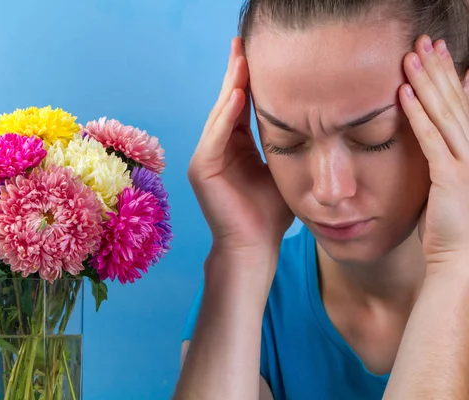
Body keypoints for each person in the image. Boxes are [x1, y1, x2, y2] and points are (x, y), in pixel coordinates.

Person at [173, 0, 469, 399]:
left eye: (373, 139)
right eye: (286, 142)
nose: (329, 190)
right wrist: (241, 252)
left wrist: (456, 264)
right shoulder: (252, 298)